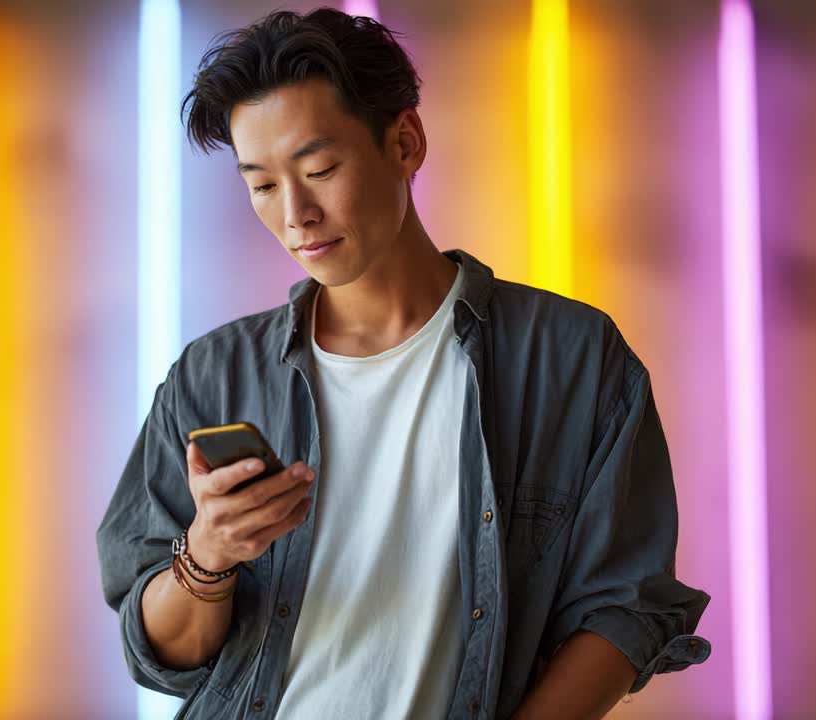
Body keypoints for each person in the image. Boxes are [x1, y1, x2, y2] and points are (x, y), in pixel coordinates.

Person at [97, 8, 710, 719]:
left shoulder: (568, 357)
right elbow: (164, 655)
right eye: (262, 184)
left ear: (406, 142)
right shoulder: (214, 376)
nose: (295, 214)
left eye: (320, 169)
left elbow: (623, 609)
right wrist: (208, 555)